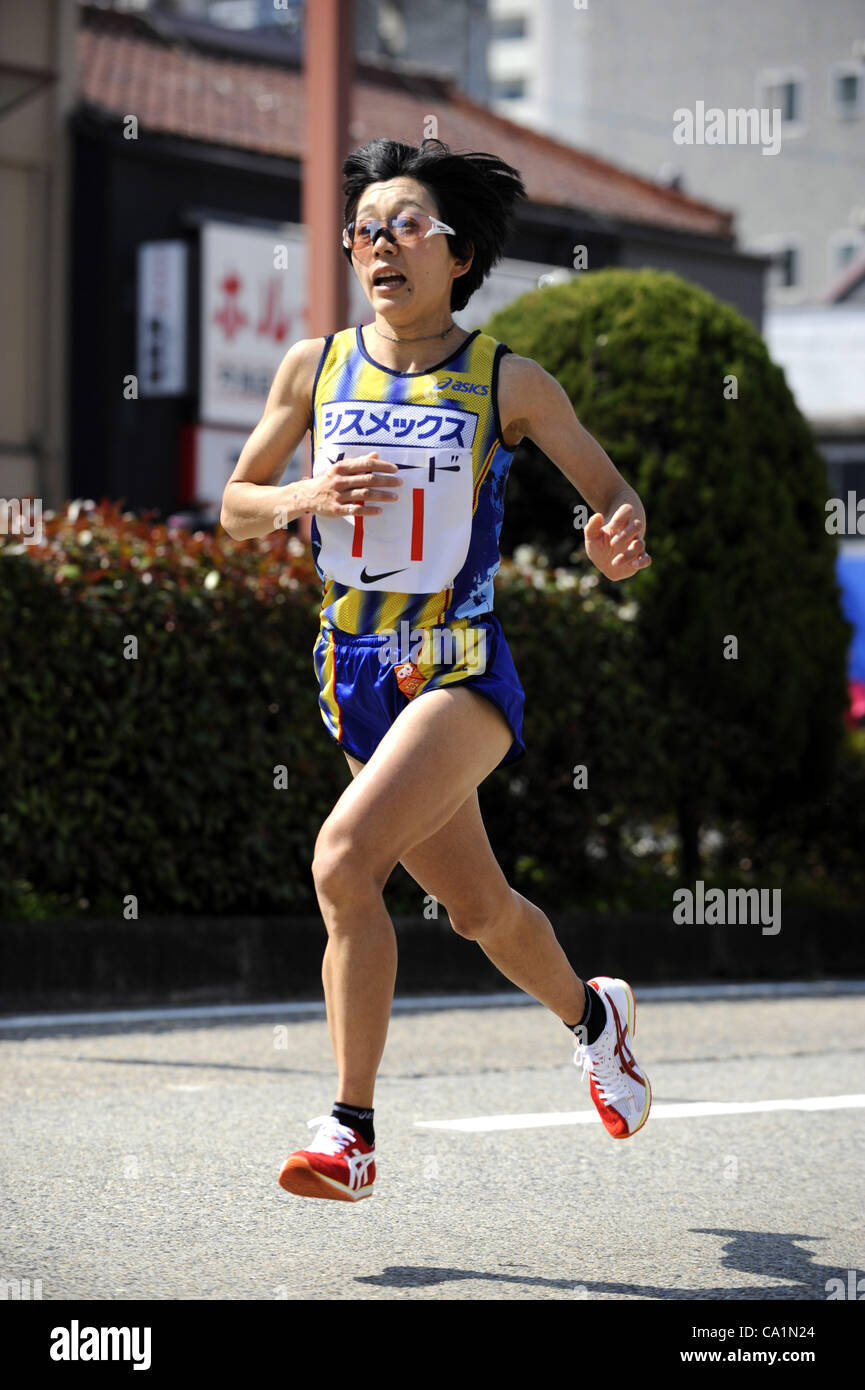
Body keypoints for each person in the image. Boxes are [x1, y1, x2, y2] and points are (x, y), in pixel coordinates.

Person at [220, 138, 653, 1205]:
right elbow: (234, 505)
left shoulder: (509, 380)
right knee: (479, 910)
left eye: (405, 226)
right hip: (352, 677)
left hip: (458, 673)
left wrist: (617, 536)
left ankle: (350, 1128)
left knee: (341, 861)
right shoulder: (311, 368)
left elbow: (613, 496)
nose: (380, 247)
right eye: (365, 229)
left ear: (459, 255)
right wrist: (298, 499)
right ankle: (594, 1018)